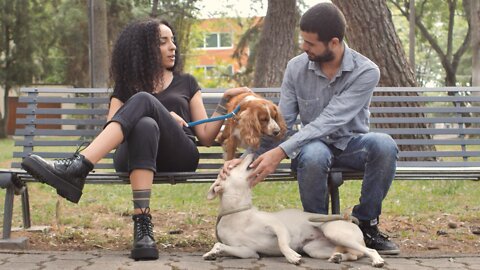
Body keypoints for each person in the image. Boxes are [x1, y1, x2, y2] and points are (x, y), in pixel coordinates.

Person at [21, 19, 250, 261]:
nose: (173, 47)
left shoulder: (187, 82)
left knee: (144, 101)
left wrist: (222, 101)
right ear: (145, 49)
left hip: (178, 154)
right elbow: (113, 132)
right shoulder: (126, 85)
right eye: (163, 42)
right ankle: (142, 228)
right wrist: (156, 114)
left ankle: (79, 167)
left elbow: (204, 137)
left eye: (173, 41)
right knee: (145, 123)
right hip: (133, 155)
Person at [221, 3, 400, 255]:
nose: (304, 47)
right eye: (302, 40)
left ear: (334, 43)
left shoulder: (366, 71)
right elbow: (281, 125)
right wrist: (244, 160)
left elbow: (330, 119)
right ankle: (316, 228)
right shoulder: (296, 67)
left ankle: (367, 225)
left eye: (310, 43)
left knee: (384, 144)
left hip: (352, 145)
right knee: (315, 154)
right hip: (312, 147)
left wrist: (281, 152)